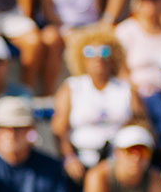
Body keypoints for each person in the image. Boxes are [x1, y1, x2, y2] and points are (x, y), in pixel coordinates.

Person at [53, 26, 144, 181]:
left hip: (119, 163)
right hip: (81, 160)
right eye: (89, 52)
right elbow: (59, 129)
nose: (97, 58)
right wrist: (69, 158)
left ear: (113, 56)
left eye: (104, 51)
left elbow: (142, 123)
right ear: (81, 58)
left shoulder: (126, 89)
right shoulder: (72, 87)